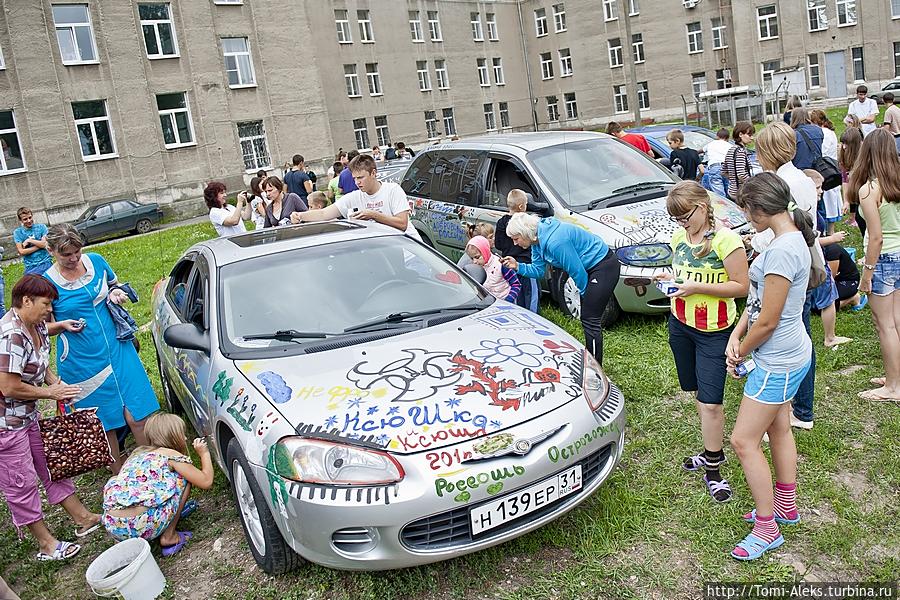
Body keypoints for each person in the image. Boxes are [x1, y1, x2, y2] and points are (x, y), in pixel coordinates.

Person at [726, 172, 814, 561]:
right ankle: (785, 506)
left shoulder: (782, 251)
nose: (746, 217)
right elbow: (758, 303)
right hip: (788, 353)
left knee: (743, 441)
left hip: (777, 360)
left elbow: (769, 320)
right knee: (778, 427)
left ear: (760, 210)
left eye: (747, 210)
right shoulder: (787, 238)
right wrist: (737, 332)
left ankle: (767, 528)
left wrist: (741, 350)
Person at [657, 181, 749, 503]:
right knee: (698, 393)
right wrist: (670, 281)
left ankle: (713, 466)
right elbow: (682, 277)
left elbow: (741, 286)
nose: (682, 223)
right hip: (680, 324)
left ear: (703, 205)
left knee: (711, 402)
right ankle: (712, 449)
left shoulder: (726, 240)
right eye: (677, 219)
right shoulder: (679, 238)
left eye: (686, 216)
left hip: (715, 330)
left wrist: (697, 287)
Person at [43, 224, 160, 473]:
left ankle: (152, 473)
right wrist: (61, 325)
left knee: (137, 414)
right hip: (82, 360)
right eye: (66, 255)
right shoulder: (46, 283)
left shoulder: (96, 261)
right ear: (51, 250)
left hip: (118, 347)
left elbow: (114, 284)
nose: (74, 258)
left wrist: (116, 294)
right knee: (104, 424)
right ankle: (121, 482)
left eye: (77, 251)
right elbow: (43, 327)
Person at [0, 275, 102, 561]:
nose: (50, 310)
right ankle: (46, 543)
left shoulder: (37, 327)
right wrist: (50, 394)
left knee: (52, 464)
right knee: (20, 482)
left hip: (27, 415)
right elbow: (8, 386)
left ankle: (82, 518)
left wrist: (58, 385)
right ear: (26, 301)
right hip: (5, 425)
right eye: (46, 304)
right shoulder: (11, 335)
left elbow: (41, 366)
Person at [753, 122, 819, 430]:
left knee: (789, 335)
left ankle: (797, 408)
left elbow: (778, 233)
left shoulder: (779, 184)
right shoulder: (803, 178)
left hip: (784, 268)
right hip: (802, 262)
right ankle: (800, 406)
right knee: (802, 335)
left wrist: (751, 241)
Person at [501, 213, 620, 364]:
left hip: (604, 264)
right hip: (588, 267)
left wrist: (586, 297)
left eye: (516, 238)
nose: (515, 243)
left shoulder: (556, 241)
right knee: (588, 316)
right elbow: (538, 271)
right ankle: (591, 360)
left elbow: (577, 272)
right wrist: (517, 266)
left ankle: (595, 367)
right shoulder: (536, 243)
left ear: (525, 232)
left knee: (590, 318)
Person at [101, 413, 214, 556]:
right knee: (183, 479)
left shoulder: (136, 454)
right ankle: (169, 536)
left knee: (116, 480)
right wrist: (204, 453)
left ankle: (126, 538)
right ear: (172, 437)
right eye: (182, 434)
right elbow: (206, 481)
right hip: (141, 524)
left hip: (113, 525)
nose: (185, 438)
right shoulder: (171, 455)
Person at [849, 129, 900, 401]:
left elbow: (876, 237)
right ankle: (895, 375)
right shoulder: (896, 182)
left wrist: (866, 273)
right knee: (897, 320)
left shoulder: (869, 190)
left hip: (883, 260)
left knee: (885, 325)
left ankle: (893, 386)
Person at [292, 154, 421, 240]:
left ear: (373, 173)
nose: (357, 182)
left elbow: (402, 223)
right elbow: (323, 214)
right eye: (354, 178)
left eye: (361, 178)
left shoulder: (392, 190)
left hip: (410, 251)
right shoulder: (354, 197)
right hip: (387, 253)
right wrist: (300, 216)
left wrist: (373, 215)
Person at [495, 190, 540, 313]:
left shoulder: (501, 222)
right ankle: (533, 316)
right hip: (526, 263)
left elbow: (498, 244)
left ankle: (517, 314)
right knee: (531, 293)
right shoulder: (526, 223)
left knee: (515, 291)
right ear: (521, 206)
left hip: (509, 265)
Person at [810, 109, 844, 235]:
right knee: (832, 201)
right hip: (832, 167)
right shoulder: (831, 132)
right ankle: (830, 230)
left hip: (825, 169)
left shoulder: (822, 133)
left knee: (827, 202)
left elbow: (821, 151)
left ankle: (827, 232)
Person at [464, 236, 520, 303]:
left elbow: (516, 284)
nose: (474, 261)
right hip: (489, 304)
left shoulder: (501, 264)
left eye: (477, 257)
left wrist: (508, 300)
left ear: (485, 252)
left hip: (505, 303)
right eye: (472, 258)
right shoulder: (475, 268)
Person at [823, 242, 865, 312]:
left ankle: (853, 298)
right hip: (834, 280)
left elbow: (830, 279)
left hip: (848, 282)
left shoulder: (831, 250)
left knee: (821, 307)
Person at [840, 126, 866, 237]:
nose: (844, 147)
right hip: (857, 197)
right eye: (842, 143)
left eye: (846, 144)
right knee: (861, 220)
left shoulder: (866, 155)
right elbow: (845, 181)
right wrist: (846, 201)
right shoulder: (844, 157)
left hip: (868, 194)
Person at [14, 208, 54, 276]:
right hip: (30, 266)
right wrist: (40, 245)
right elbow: (21, 252)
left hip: (46, 263)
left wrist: (30, 240)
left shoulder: (42, 227)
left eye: (30, 217)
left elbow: (45, 244)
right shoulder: (18, 232)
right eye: (25, 219)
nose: (29, 220)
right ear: (20, 220)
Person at [723, 121, 754, 202]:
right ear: (740, 134)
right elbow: (741, 174)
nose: (752, 138)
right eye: (749, 135)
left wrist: (733, 179)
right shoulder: (740, 151)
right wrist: (753, 183)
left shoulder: (731, 150)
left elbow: (723, 172)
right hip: (741, 193)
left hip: (732, 191)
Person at [702, 128, 732, 198]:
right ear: (727, 138)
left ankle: (723, 206)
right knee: (728, 190)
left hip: (714, 168)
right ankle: (731, 206)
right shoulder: (730, 145)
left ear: (717, 136)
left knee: (719, 193)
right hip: (727, 169)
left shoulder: (711, 143)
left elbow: (701, 150)